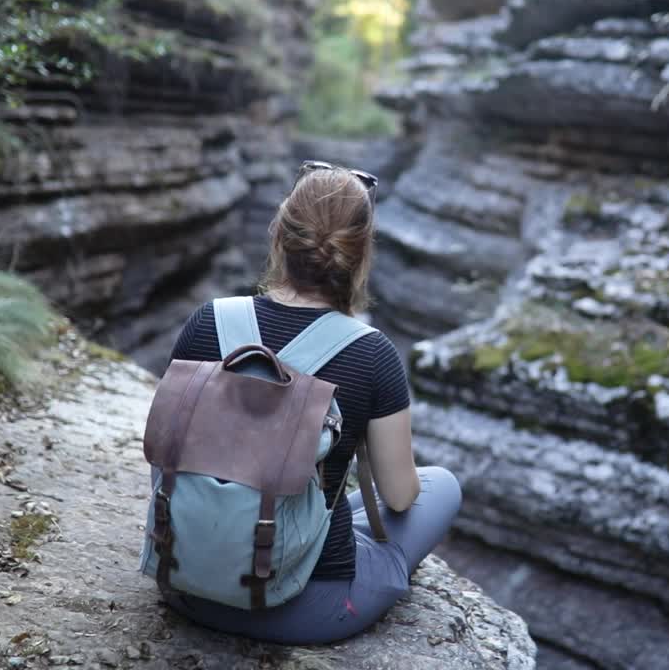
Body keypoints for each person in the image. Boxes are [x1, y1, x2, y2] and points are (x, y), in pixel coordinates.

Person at [160, 160, 461, 644]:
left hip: (185, 584)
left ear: (278, 233)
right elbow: (402, 496)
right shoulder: (372, 354)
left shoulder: (207, 321)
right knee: (440, 486)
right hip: (304, 606)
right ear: (361, 253)